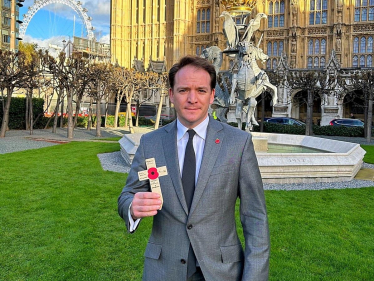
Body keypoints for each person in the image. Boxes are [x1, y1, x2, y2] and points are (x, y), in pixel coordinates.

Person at [118, 55, 270, 281]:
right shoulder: (151, 143)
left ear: (212, 95)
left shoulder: (238, 143)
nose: (192, 99)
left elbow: (255, 217)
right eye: (183, 90)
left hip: (222, 271)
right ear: (171, 95)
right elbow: (127, 195)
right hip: (163, 271)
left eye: (200, 90)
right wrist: (132, 207)